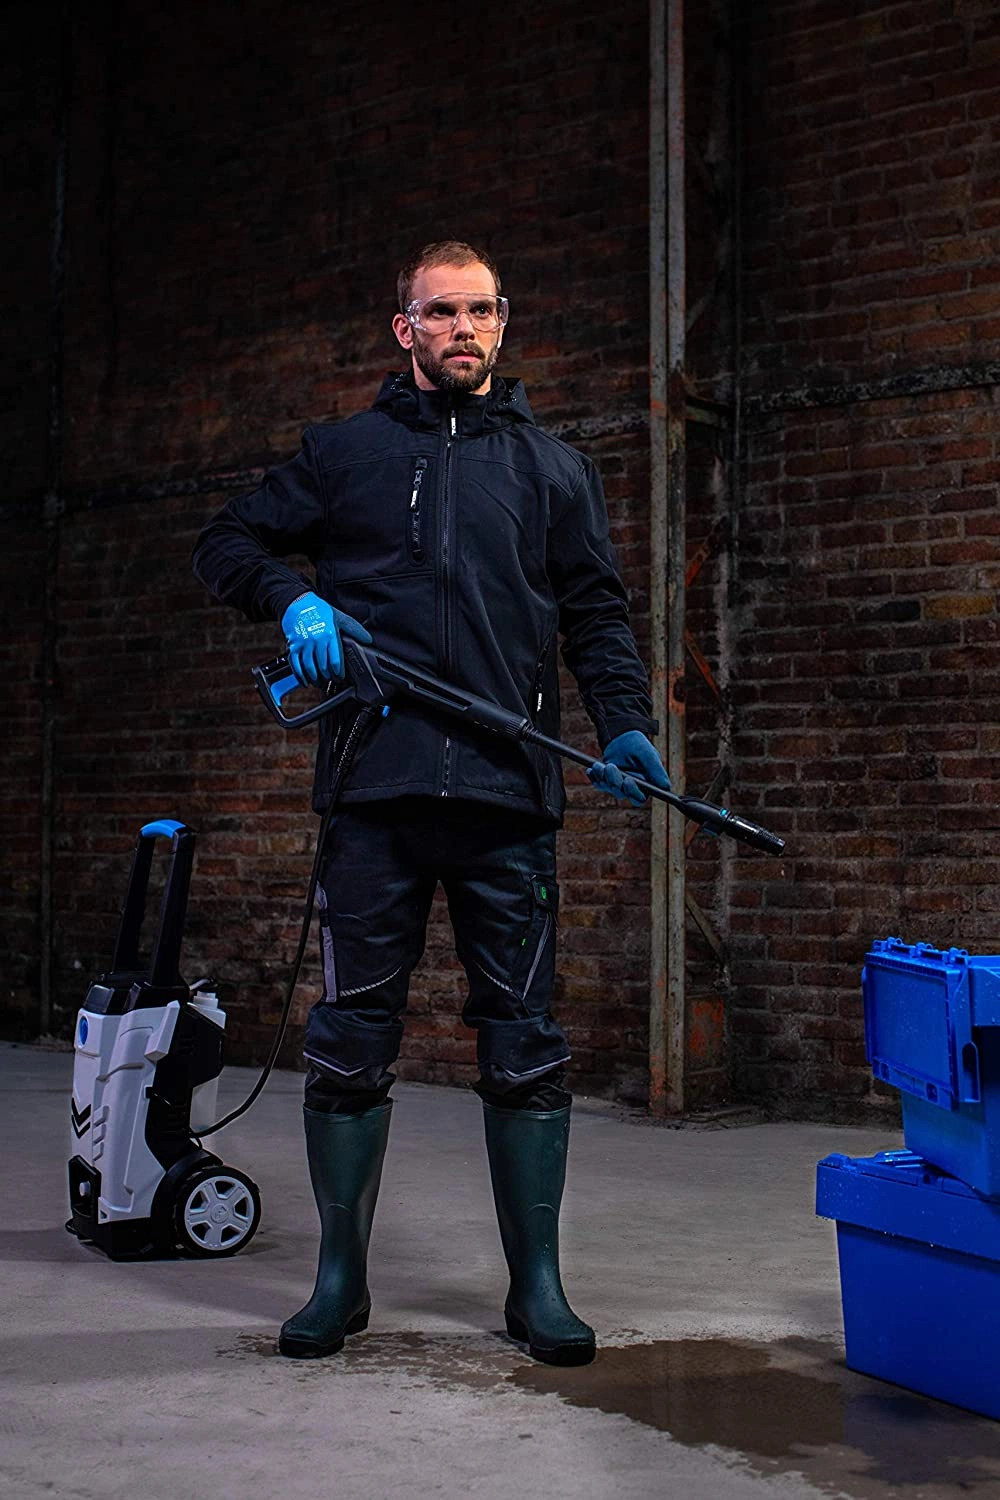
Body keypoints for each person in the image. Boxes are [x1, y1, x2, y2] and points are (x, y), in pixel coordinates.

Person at [192, 240, 670, 1366]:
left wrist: (623, 722)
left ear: (503, 322)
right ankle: (338, 1283)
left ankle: (537, 1287)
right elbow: (226, 542)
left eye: (482, 311)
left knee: (526, 1041)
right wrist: (294, 600)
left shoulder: (555, 469)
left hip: (509, 795)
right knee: (350, 1038)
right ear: (404, 328)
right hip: (377, 791)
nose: (465, 329)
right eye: (443, 312)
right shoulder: (345, 455)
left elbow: (595, 612)